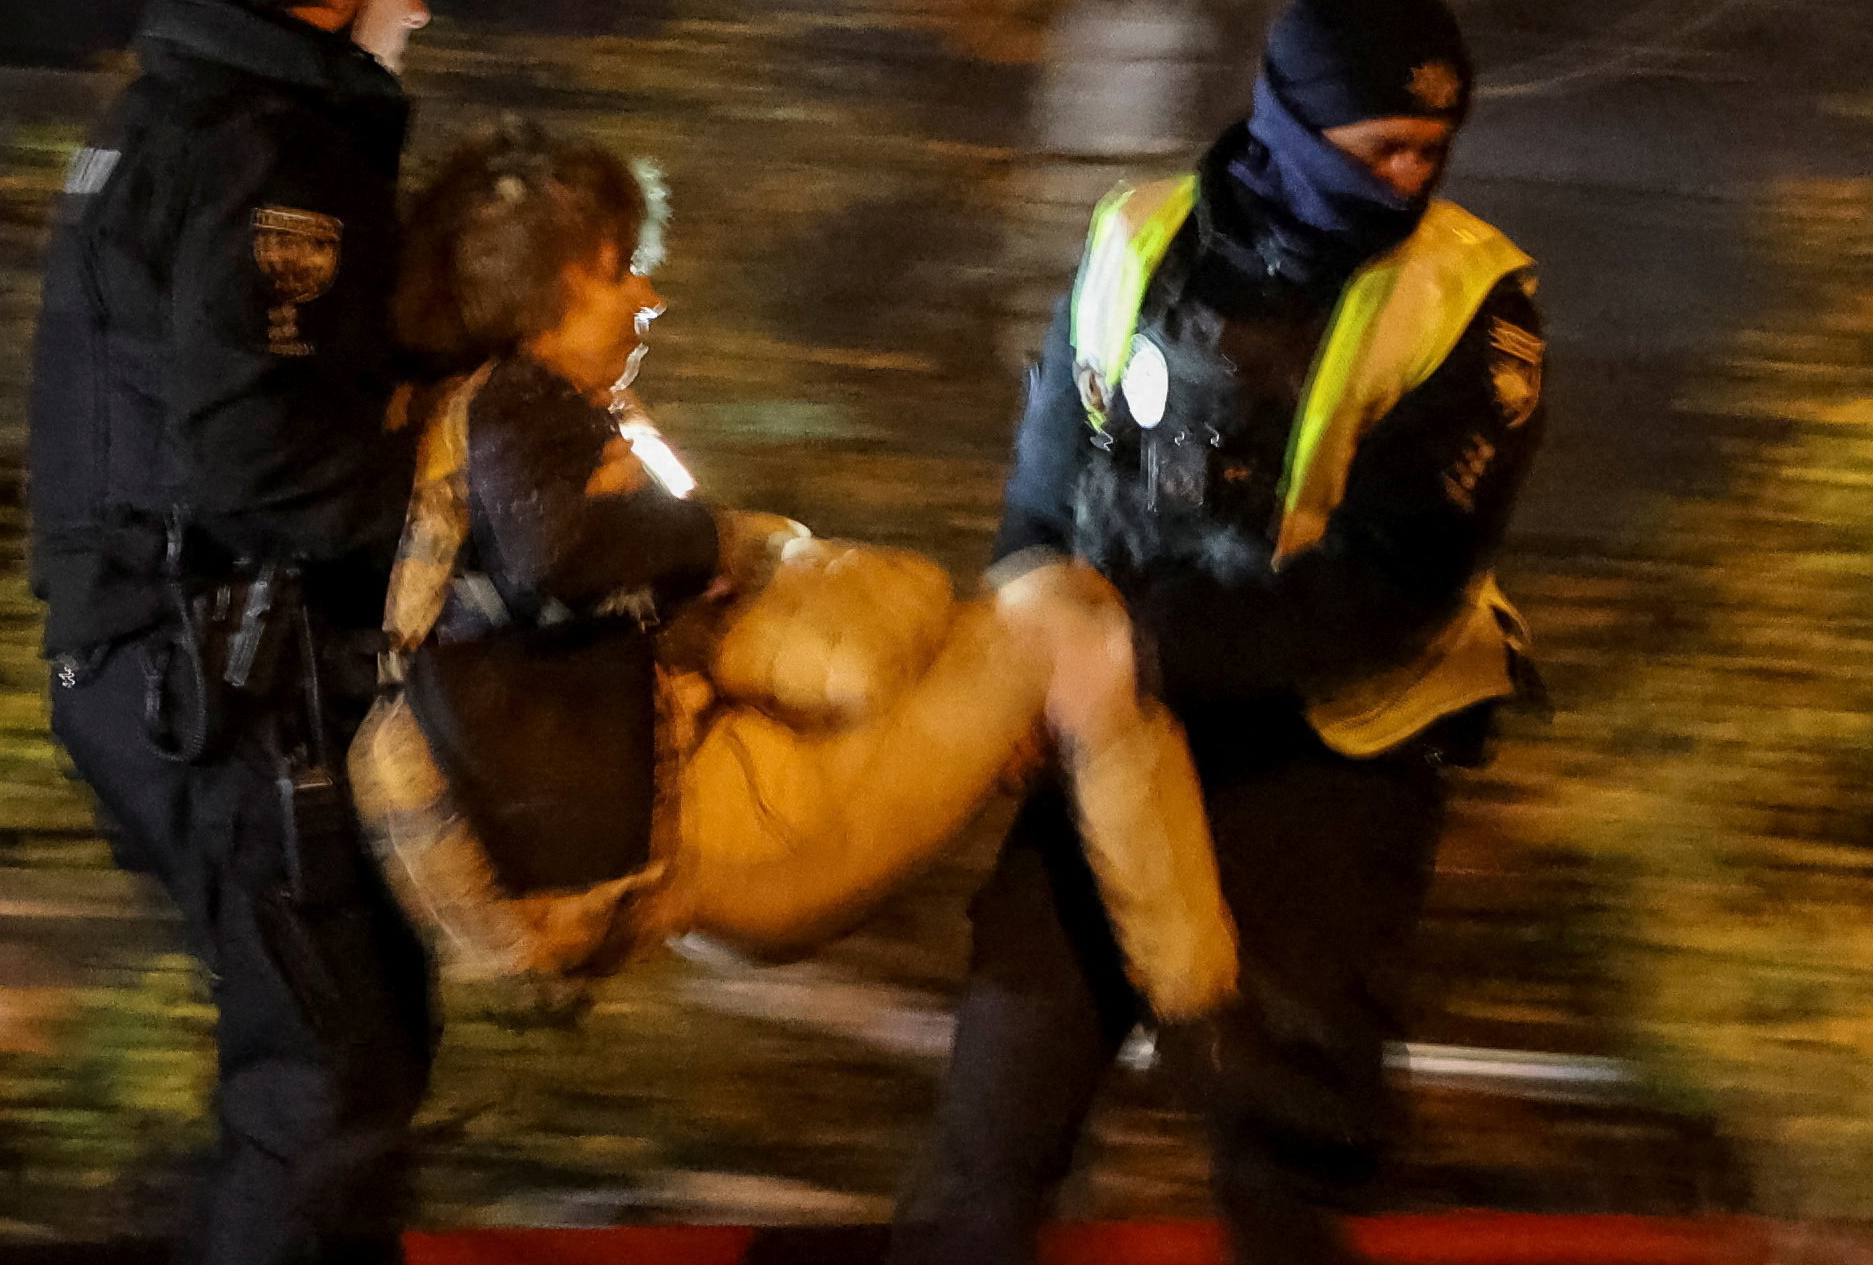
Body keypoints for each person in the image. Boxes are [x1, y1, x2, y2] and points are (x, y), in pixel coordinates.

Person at [876, 0, 1544, 1265]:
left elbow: (1389, 586)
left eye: (1430, 150)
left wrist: (1144, 649)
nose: (1411, 178)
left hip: (1333, 749)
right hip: (1109, 728)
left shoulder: (1478, 301)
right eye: (1379, 146)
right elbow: (1043, 491)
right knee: (1001, 1098)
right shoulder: (1135, 243)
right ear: (1291, 123)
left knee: (1281, 1135)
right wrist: (1037, 644)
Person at [355, 125, 1232, 1018]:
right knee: (1066, 627)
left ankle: (1165, 965)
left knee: (1023, 629)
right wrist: (718, 545)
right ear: (552, 282)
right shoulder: (517, 410)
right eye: (621, 271)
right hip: (733, 839)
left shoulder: (476, 434)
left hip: (707, 828)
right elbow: (561, 556)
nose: (649, 298)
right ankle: (1203, 1002)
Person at [26, 0, 446, 1265]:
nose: (425, 3)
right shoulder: (279, 147)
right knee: (332, 1066)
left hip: (162, 670)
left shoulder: (186, 117)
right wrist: (456, 505)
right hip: (218, 683)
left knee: (352, 1038)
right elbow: (253, 449)